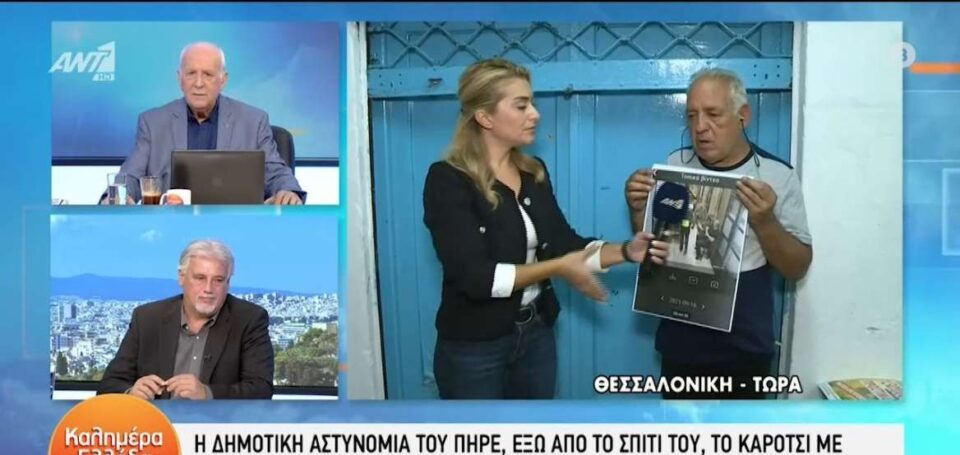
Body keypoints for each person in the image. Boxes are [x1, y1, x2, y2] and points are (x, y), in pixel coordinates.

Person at [422, 58, 669, 400]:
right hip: (474, 349)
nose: (535, 114)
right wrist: (557, 268)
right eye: (521, 105)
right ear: (485, 117)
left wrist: (626, 251)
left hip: (536, 335)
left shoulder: (533, 172)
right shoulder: (447, 180)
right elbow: (476, 279)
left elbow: (565, 245)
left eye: (532, 103)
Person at [624, 68, 813, 399]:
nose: (700, 127)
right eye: (692, 115)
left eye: (713, 114)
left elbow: (797, 267)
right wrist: (638, 208)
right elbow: (652, 246)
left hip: (744, 348)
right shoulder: (675, 165)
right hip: (681, 343)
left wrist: (765, 221)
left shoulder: (777, 175)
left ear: (743, 116)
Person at [100, 42, 304, 205]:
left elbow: (276, 173)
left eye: (208, 74)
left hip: (236, 227)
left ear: (223, 80)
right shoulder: (153, 123)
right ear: (180, 79)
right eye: (191, 73)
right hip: (170, 228)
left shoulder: (253, 121)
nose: (198, 83)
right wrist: (116, 196)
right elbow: (130, 175)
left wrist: (288, 191)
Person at [97, 239, 274, 400]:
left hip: (217, 424)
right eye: (200, 278)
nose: (208, 289)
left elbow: (261, 389)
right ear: (182, 278)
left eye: (218, 280)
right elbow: (109, 385)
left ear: (228, 283)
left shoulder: (249, 319)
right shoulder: (147, 318)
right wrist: (131, 393)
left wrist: (207, 393)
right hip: (156, 422)